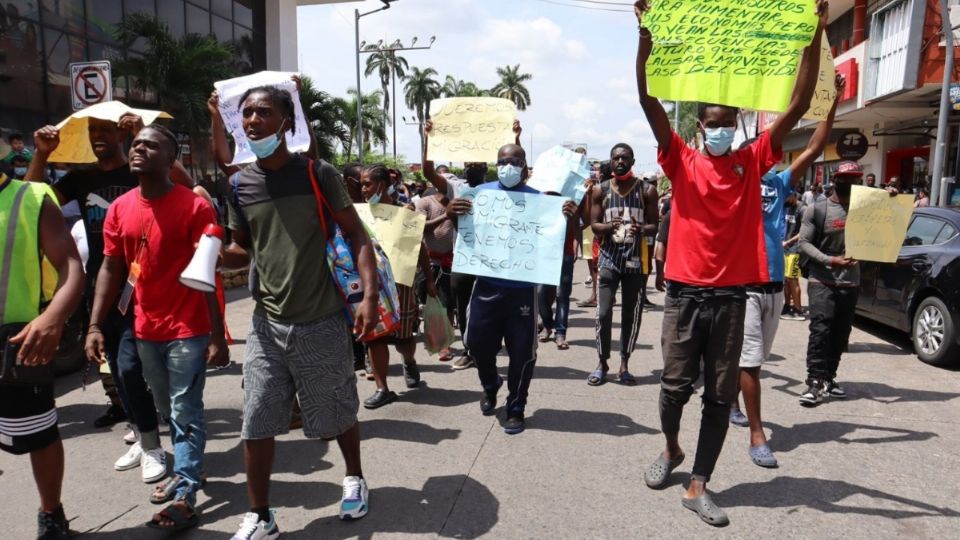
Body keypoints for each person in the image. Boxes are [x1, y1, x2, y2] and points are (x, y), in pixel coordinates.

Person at [634, 0, 827, 526]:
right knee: (674, 388)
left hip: (731, 300)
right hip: (683, 296)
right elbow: (649, 99)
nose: (719, 131)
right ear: (700, 126)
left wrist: (811, 36)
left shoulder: (754, 160)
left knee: (719, 397)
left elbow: (799, 101)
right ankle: (671, 448)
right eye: (711, 124)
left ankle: (699, 484)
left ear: (736, 124)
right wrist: (646, 35)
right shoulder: (680, 159)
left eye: (727, 124)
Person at [221, 85, 378, 538]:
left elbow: (357, 235)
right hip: (266, 324)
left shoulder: (318, 173)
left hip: (321, 318)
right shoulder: (238, 183)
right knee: (256, 417)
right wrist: (210, 250)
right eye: (247, 113)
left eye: (264, 113)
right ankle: (261, 515)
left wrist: (367, 297)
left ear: (287, 123)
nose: (253, 121)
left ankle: (354, 477)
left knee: (338, 411)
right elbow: (240, 249)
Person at [27, 112, 195, 481]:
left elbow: (185, 186)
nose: (98, 136)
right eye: (92, 131)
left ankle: (154, 443)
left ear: (121, 132)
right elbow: (31, 202)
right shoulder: (80, 178)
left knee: (133, 368)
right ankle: (142, 432)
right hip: (103, 289)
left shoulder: (139, 168)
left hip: (146, 289)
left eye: (105, 129)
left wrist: (142, 137)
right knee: (119, 371)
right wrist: (41, 155)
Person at [86, 125, 228, 532]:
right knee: (167, 408)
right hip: (145, 327)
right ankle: (190, 465)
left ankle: (184, 485)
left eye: (150, 145)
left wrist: (217, 336)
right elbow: (112, 267)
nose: (138, 149)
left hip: (188, 326)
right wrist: (96, 324)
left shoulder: (195, 207)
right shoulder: (120, 208)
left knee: (184, 407)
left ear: (171, 159)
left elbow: (207, 274)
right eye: (135, 144)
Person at [728, 74, 846, 470]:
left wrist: (831, 102)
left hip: (775, 284)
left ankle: (729, 398)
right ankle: (757, 435)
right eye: (767, 148)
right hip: (744, 284)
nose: (775, 153)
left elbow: (814, 147)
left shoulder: (780, 183)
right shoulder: (735, 181)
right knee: (751, 362)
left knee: (752, 359)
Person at [446, 143, 578, 434]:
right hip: (486, 287)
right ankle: (490, 383)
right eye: (503, 161)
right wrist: (451, 211)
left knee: (522, 351)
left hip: (521, 291)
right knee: (477, 345)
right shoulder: (479, 195)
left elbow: (559, 236)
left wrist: (569, 215)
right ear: (495, 164)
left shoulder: (542, 201)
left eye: (515, 161)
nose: (509, 166)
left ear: (525, 167)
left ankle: (516, 406)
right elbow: (461, 226)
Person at [0, 172, 84, 540]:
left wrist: (53, 318)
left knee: (38, 434)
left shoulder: (31, 197)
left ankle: (51, 513)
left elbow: (70, 264)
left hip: (19, 341)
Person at [420, 119, 522, 370]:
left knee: (495, 305)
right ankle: (469, 349)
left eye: (476, 164)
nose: (471, 168)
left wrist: (517, 138)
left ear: (486, 167)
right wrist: (428, 139)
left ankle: (493, 344)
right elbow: (428, 172)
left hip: (494, 261)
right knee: (463, 305)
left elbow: (521, 174)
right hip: (463, 259)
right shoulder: (456, 187)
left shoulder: (499, 188)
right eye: (467, 164)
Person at [798, 161, 896, 406]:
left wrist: (892, 199)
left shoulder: (865, 211)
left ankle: (829, 377)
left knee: (841, 335)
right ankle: (814, 381)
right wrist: (830, 260)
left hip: (850, 284)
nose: (851, 183)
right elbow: (804, 243)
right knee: (821, 330)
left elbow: (890, 223)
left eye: (855, 179)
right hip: (822, 279)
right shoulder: (817, 210)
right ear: (835, 180)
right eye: (846, 178)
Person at [358, 164, 438, 408]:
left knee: (404, 339)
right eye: (361, 184)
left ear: (381, 185)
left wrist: (430, 281)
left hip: (401, 285)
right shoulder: (357, 214)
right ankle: (383, 388)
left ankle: (409, 362)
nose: (363, 189)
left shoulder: (404, 214)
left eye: (367, 184)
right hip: (372, 287)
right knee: (374, 337)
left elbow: (420, 249)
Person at [587, 143, 658, 386]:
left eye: (624, 158)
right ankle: (602, 362)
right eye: (616, 158)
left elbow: (654, 225)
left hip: (636, 261)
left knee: (631, 313)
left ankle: (624, 364)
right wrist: (609, 226)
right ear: (611, 160)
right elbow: (594, 224)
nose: (620, 162)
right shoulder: (601, 190)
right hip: (609, 258)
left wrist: (641, 229)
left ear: (633, 160)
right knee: (604, 312)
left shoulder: (646, 190)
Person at [414, 185, 456, 361]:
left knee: (447, 303)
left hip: (451, 262)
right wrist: (446, 215)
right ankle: (433, 336)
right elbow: (419, 227)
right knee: (428, 301)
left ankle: (444, 344)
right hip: (429, 262)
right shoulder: (425, 203)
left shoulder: (460, 204)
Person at [578, 161, 611, 308]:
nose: (594, 173)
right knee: (592, 265)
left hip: (595, 232)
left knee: (596, 266)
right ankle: (596, 295)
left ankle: (597, 296)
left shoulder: (602, 189)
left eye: (596, 171)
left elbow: (589, 217)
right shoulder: (588, 188)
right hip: (587, 233)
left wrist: (589, 193)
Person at [781, 193, 806, 321]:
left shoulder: (802, 209)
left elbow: (804, 231)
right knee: (785, 280)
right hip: (785, 248)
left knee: (793, 279)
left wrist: (789, 241)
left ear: (793, 195)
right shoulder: (787, 207)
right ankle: (787, 305)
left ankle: (798, 309)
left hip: (795, 248)